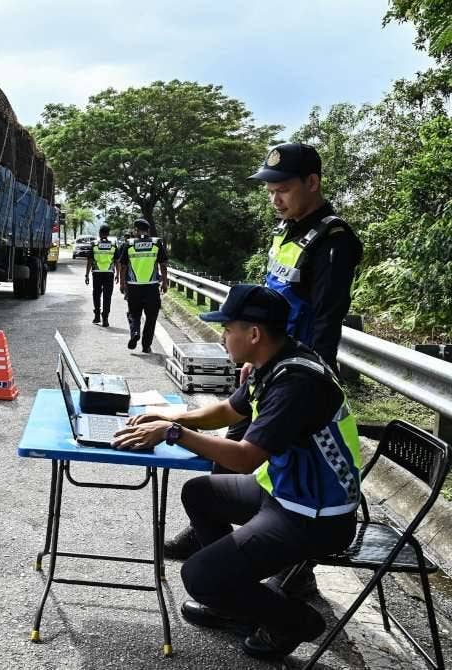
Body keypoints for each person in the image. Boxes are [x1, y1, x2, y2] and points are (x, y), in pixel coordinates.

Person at [112, 284, 360, 661]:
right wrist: (169, 416)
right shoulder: (275, 362)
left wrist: (172, 433)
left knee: (198, 577)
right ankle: (236, 599)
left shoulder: (296, 383)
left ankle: (294, 621)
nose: (223, 336)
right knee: (200, 493)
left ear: (254, 334)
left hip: (314, 517)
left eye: (228, 329)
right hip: (284, 494)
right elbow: (229, 412)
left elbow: (244, 459)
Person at [164, 143, 364, 584]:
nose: (275, 199)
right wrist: (255, 356)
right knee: (232, 447)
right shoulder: (288, 231)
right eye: (270, 191)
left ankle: (297, 568)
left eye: (284, 190)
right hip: (267, 361)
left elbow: (327, 319)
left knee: (269, 458)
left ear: (312, 183)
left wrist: (300, 378)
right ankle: (225, 546)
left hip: (293, 373)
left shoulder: (333, 240)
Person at [117, 218, 169, 353]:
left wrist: (122, 283)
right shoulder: (156, 243)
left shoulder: (129, 244)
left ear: (136, 230)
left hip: (133, 286)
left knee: (134, 314)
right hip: (152, 287)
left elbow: (123, 266)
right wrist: (165, 282)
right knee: (151, 317)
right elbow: (163, 265)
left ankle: (135, 332)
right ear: (148, 230)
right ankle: (146, 346)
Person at [84, 225, 118, 327]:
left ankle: (97, 316)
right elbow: (117, 261)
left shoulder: (94, 244)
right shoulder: (113, 245)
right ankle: (105, 319)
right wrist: (118, 275)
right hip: (109, 274)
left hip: (97, 273)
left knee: (96, 295)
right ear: (108, 233)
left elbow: (90, 260)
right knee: (107, 296)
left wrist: (86, 275)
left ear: (99, 233)